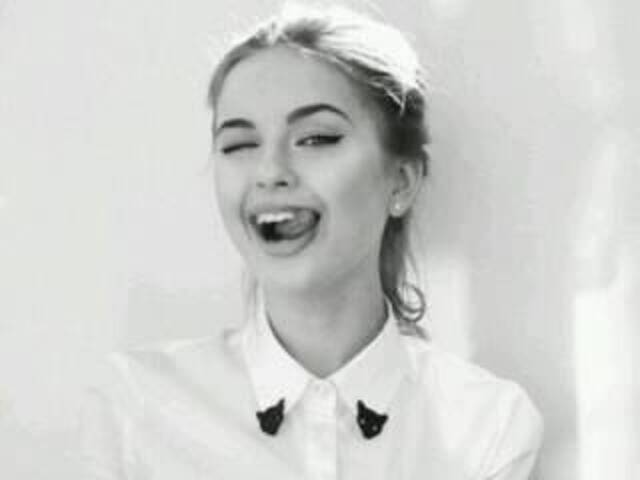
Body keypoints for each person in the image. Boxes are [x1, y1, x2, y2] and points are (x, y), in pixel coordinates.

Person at [79, 3, 543, 479]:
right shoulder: (133, 411)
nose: (270, 172)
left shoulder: (488, 425)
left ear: (401, 182)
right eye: (239, 144)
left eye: (316, 139)